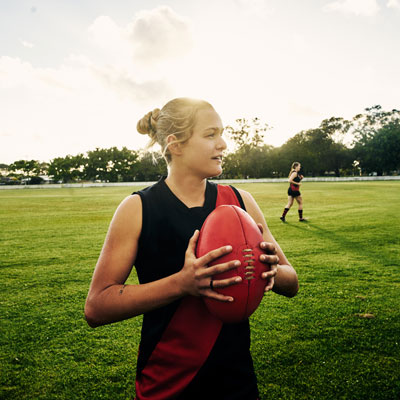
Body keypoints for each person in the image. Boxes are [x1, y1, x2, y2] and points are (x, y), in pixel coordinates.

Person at [85, 97, 299, 400]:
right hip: (166, 385)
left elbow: (292, 282)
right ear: (175, 144)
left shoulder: (241, 202)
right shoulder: (138, 208)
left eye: (221, 133)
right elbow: (96, 307)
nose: (223, 143)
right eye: (211, 134)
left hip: (237, 384)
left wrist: (271, 270)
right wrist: (182, 284)